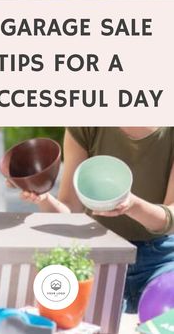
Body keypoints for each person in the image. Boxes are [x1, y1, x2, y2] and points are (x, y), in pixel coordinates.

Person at [17, 127, 174, 313]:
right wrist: (43, 198)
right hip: (101, 255)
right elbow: (71, 211)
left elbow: (170, 220)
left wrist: (131, 205)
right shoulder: (85, 126)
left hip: (162, 257)